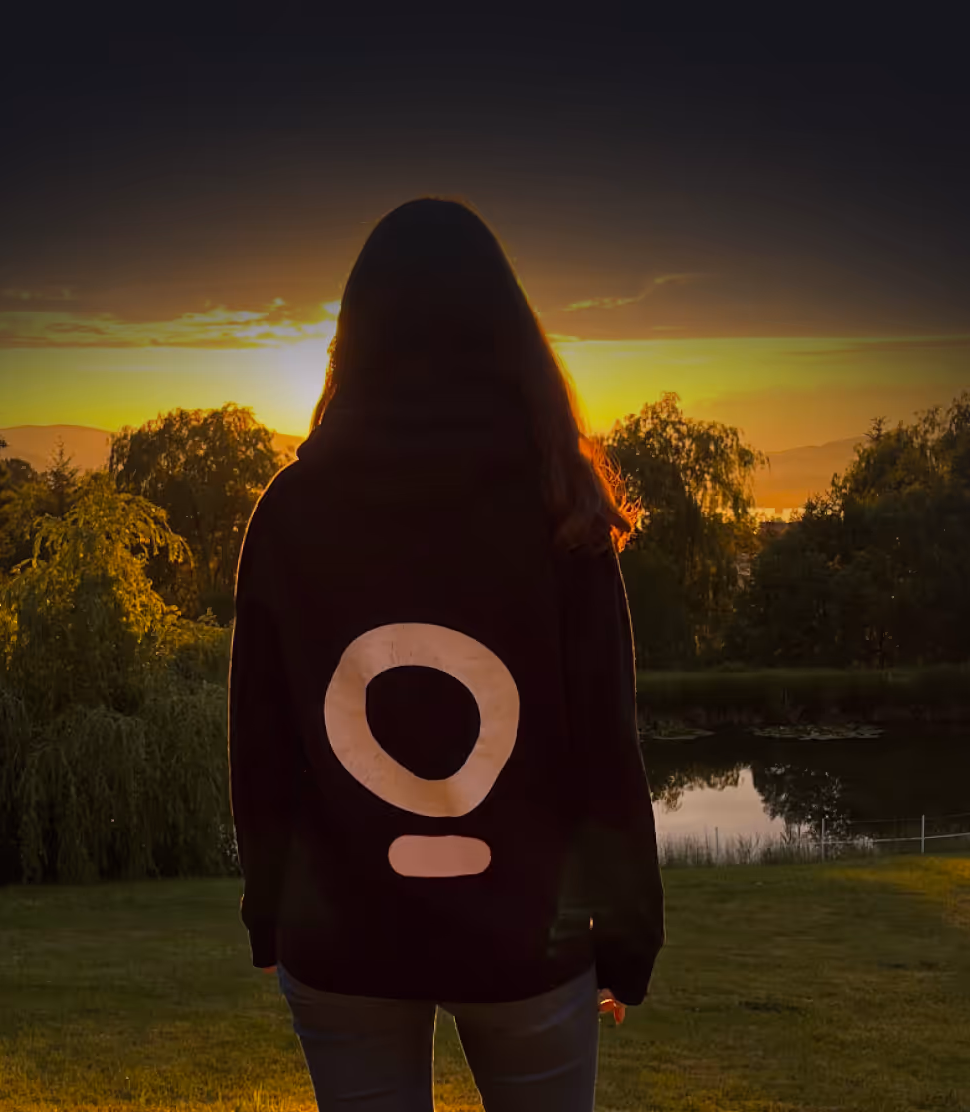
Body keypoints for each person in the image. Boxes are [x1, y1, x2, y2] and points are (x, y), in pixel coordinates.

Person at [226, 197, 666, 1112]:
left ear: (354, 337)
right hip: (526, 944)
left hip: (342, 945)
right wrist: (627, 939)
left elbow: (260, 748)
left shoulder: (290, 508)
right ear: (508, 334)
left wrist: (270, 914)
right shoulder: (561, 506)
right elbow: (605, 746)